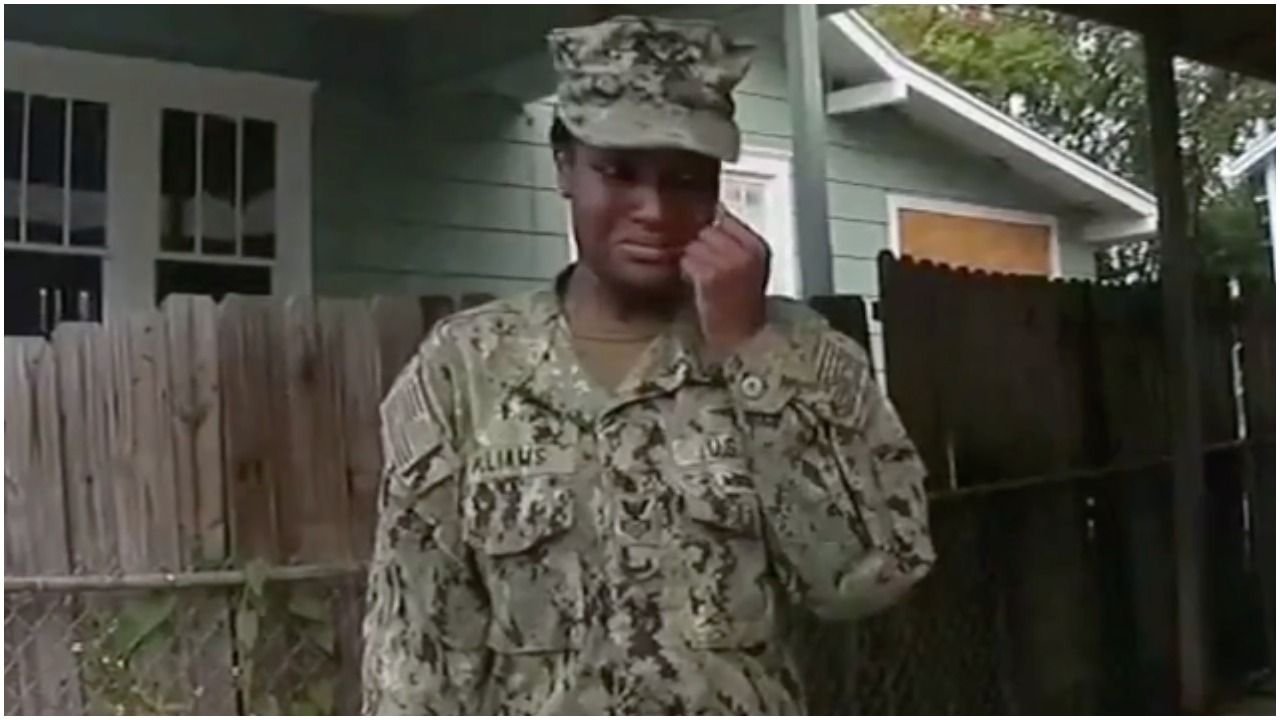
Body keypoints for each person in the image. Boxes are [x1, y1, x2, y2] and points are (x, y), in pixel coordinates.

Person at [361, 14, 935, 715]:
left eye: (686, 179)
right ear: (565, 168)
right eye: (619, 171)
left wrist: (749, 353)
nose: (654, 209)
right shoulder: (466, 368)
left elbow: (865, 576)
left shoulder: (804, 355)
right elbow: (415, 645)